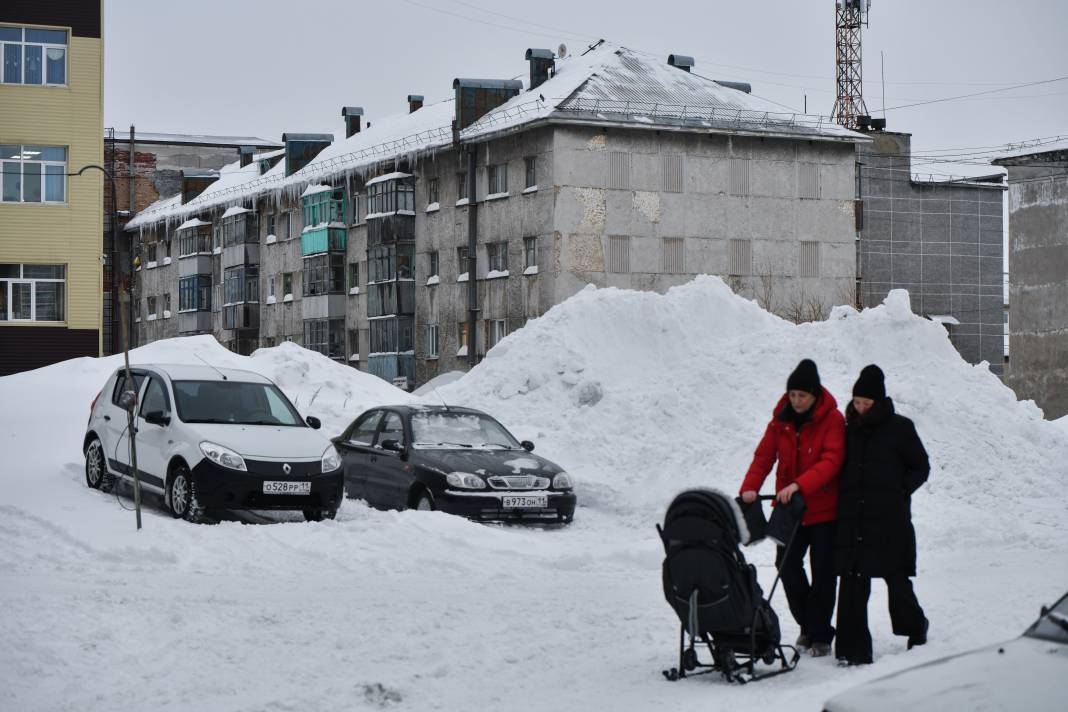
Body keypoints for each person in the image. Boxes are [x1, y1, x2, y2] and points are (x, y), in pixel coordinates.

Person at [740, 359, 845, 657]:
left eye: (803, 396)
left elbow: (831, 461)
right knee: (785, 565)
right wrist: (749, 488)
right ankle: (808, 625)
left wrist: (800, 485)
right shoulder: (781, 419)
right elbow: (764, 456)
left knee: (824, 572)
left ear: (814, 395)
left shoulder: (833, 419)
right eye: (793, 395)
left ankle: (821, 634)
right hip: (789, 509)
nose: (797, 401)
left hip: (824, 510)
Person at [834, 365, 930, 666]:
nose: (860, 408)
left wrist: (900, 491)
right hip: (854, 520)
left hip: (890, 521)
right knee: (852, 582)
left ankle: (916, 627)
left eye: (866, 403)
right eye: (857, 402)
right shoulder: (848, 431)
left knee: (896, 579)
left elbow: (921, 466)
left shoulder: (900, 428)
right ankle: (852, 650)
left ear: (878, 401)